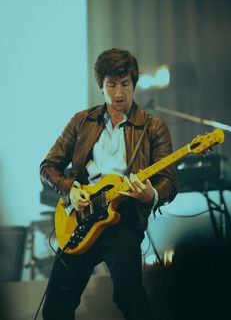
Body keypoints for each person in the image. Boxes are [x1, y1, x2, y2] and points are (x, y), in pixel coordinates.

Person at [40, 48, 177, 320]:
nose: (118, 92)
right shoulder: (82, 121)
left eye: (125, 84)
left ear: (133, 84)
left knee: (130, 297)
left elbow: (170, 182)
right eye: (111, 85)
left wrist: (151, 194)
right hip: (80, 218)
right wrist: (71, 190)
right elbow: (48, 167)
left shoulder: (154, 127)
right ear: (101, 86)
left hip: (123, 220)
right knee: (56, 304)